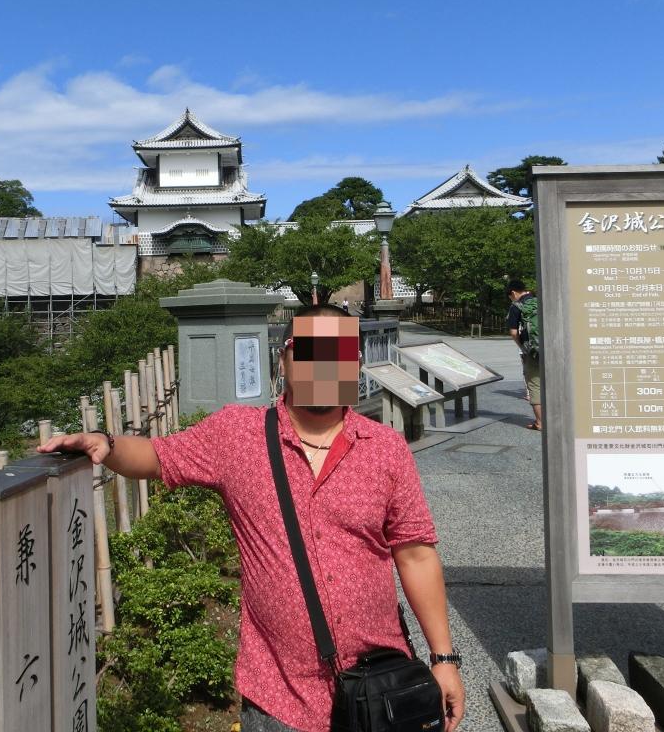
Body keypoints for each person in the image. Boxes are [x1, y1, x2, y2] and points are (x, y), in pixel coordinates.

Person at [39, 303, 466, 732]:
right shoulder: (237, 435)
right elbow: (157, 456)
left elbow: (416, 555)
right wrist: (107, 443)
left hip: (381, 687)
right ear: (284, 359)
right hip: (279, 698)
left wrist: (444, 658)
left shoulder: (385, 448)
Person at [506, 279, 542, 431]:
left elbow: (514, 332)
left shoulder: (516, 306)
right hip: (552, 349)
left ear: (513, 293)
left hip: (532, 351)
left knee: (534, 385)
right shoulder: (540, 300)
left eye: (510, 296)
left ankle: (540, 422)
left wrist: (522, 347)